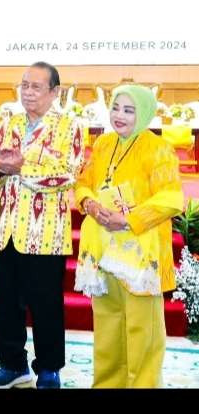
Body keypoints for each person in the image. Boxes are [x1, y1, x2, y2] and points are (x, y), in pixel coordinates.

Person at [0, 61, 85, 389]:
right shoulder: (6, 120)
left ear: (55, 92)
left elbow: (69, 172)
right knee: (4, 304)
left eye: (36, 87)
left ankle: (49, 368)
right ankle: (12, 365)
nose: (27, 92)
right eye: (24, 85)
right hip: (5, 229)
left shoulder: (70, 124)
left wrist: (21, 169)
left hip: (45, 232)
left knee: (46, 304)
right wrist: (0, 169)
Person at [74, 84, 183, 388]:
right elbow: (83, 182)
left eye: (128, 109)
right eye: (115, 108)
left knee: (142, 332)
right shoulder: (103, 144)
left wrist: (129, 220)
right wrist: (90, 204)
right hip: (104, 250)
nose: (119, 115)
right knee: (107, 327)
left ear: (145, 113)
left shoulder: (158, 149)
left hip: (139, 256)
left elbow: (172, 198)